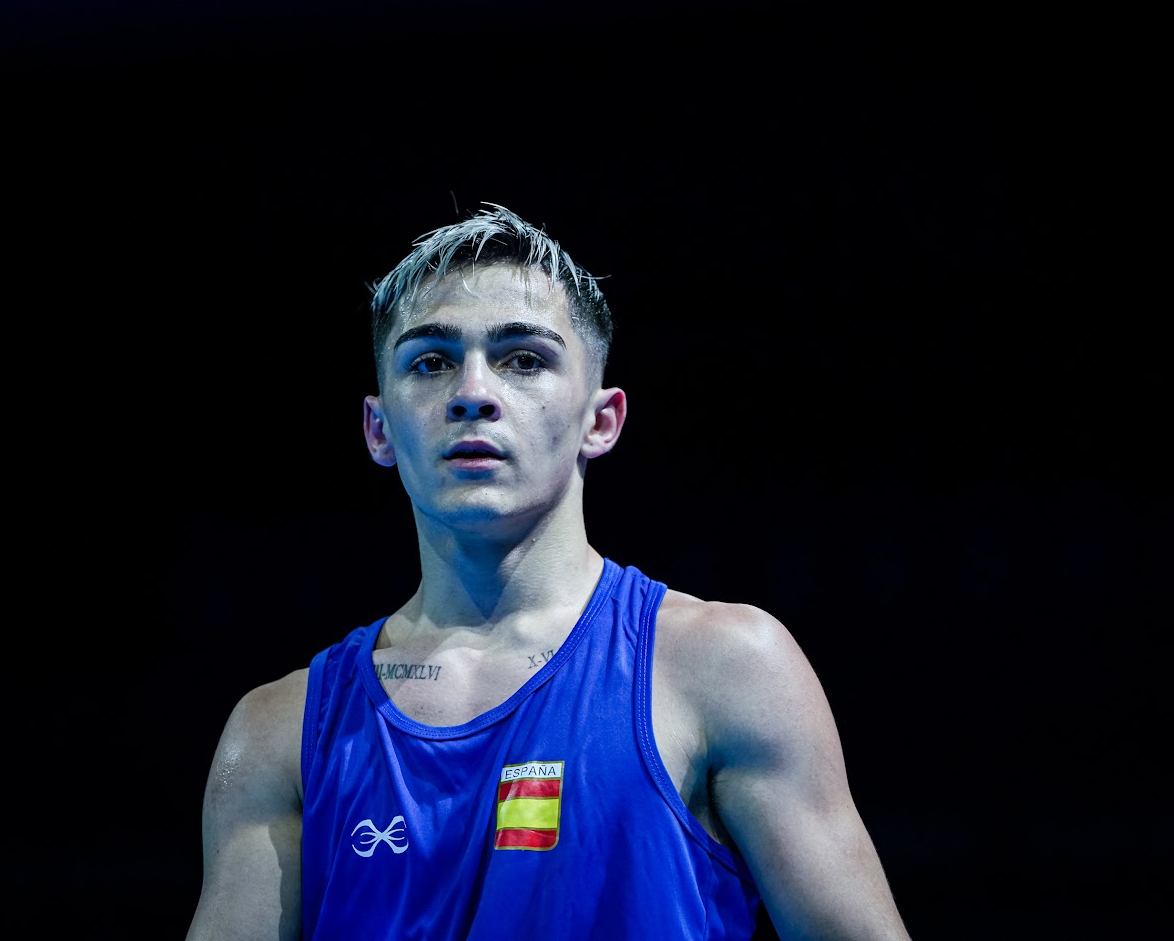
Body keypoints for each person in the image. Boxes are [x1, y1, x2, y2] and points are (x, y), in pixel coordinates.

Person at [184, 202, 913, 940]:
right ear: (379, 428)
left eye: (523, 359)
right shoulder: (277, 733)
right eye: (431, 361)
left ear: (601, 420)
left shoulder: (724, 668)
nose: (473, 393)